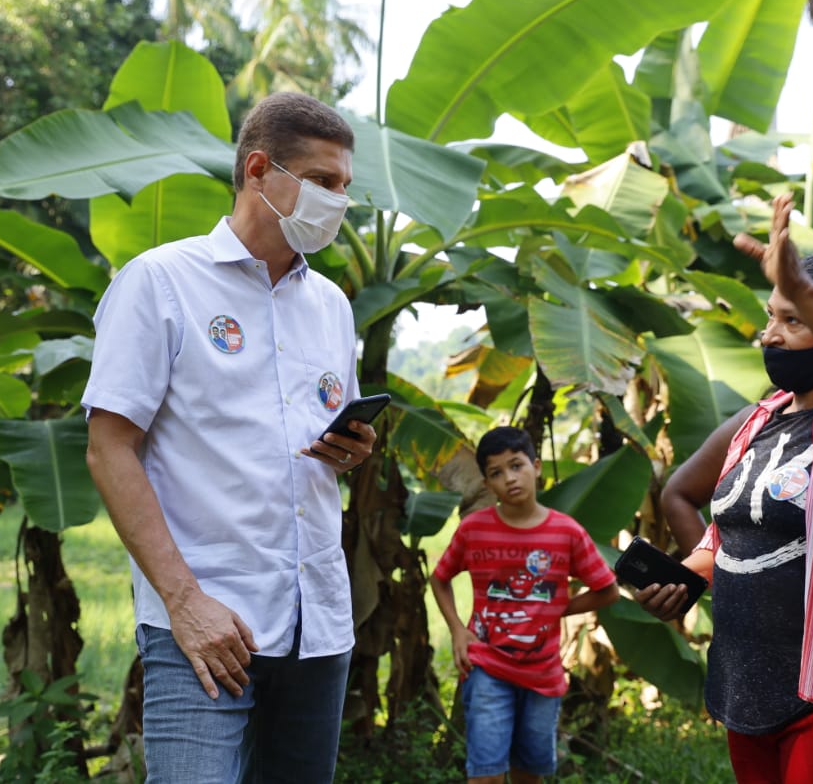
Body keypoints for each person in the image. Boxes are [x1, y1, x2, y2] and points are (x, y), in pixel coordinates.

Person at [82, 91, 377, 783]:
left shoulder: (331, 305)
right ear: (258, 170)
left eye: (345, 187)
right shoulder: (159, 283)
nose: (337, 200)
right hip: (206, 624)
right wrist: (185, 601)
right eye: (323, 182)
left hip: (318, 624)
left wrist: (352, 450)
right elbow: (108, 448)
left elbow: (309, 434)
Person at [635, 193, 813, 783]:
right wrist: (689, 574)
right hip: (752, 689)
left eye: (792, 319)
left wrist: (801, 282)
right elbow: (734, 531)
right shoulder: (759, 420)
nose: (770, 335)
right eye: (771, 315)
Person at [429, 426, 620, 784]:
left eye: (516, 466)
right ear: (487, 485)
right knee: (485, 775)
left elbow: (606, 589)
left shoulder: (567, 532)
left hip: (543, 674)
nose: (510, 479)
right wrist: (457, 630)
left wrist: (560, 607)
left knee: (528, 774)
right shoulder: (474, 529)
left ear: (536, 466)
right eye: (496, 473)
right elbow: (439, 578)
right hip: (486, 666)